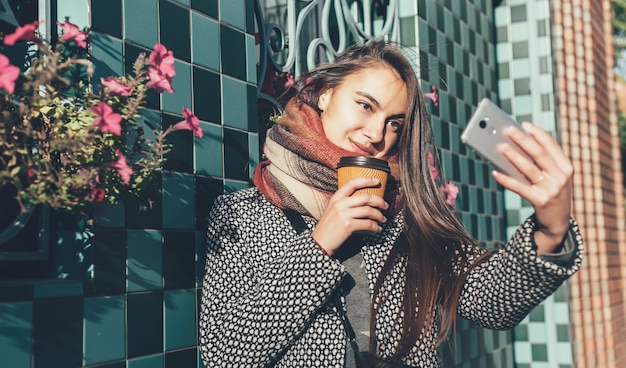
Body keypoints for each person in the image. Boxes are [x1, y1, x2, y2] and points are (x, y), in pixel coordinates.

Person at [199, 40, 582, 367]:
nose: (376, 133)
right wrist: (319, 245)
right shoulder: (243, 214)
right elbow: (224, 355)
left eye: (394, 123)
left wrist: (551, 230)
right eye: (366, 105)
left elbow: (491, 302)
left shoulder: (408, 214)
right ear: (327, 93)